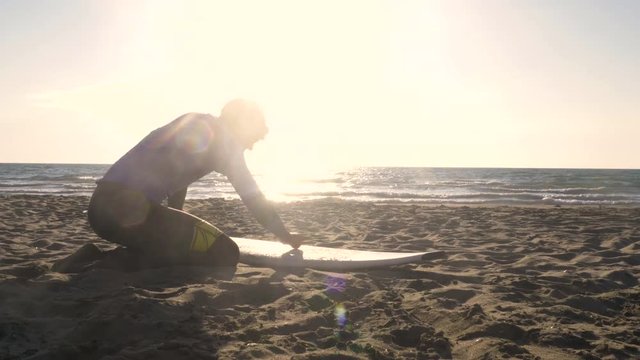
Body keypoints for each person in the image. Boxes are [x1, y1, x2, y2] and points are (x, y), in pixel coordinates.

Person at [87, 99, 303, 267]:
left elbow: (176, 171)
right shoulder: (226, 144)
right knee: (226, 253)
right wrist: (285, 236)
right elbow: (253, 199)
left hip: (101, 209)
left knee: (182, 246)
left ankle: (96, 258)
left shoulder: (195, 122)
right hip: (124, 211)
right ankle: (101, 263)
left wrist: (174, 220)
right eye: (253, 139)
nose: (250, 147)